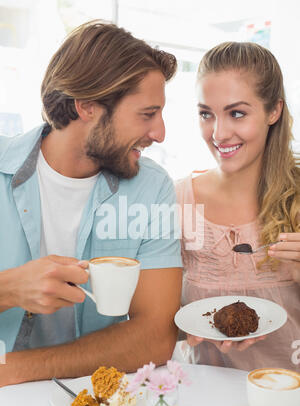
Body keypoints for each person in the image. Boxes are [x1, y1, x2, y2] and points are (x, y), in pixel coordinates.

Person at [0, 21, 183, 386]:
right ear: (87, 107)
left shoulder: (152, 188)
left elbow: (155, 336)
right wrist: (8, 289)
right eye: (147, 114)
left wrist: (15, 370)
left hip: (90, 405)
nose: (160, 133)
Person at [176, 41, 300, 371]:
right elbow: (159, 324)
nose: (218, 133)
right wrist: (190, 329)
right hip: (206, 404)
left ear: (273, 111)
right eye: (206, 114)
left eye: (237, 113)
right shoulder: (177, 201)